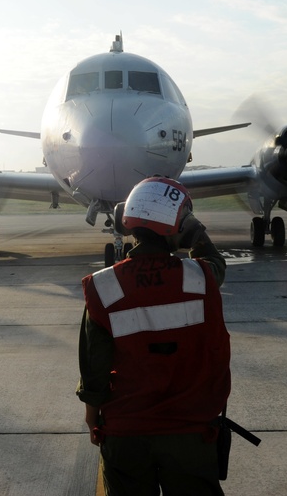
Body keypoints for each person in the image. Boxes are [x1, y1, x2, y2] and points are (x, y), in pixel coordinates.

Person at [77, 176, 230, 495]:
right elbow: (217, 263)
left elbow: (95, 366)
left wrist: (94, 418)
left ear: (125, 217)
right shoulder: (200, 277)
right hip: (190, 431)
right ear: (181, 226)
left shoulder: (104, 287)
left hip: (126, 432)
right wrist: (196, 231)